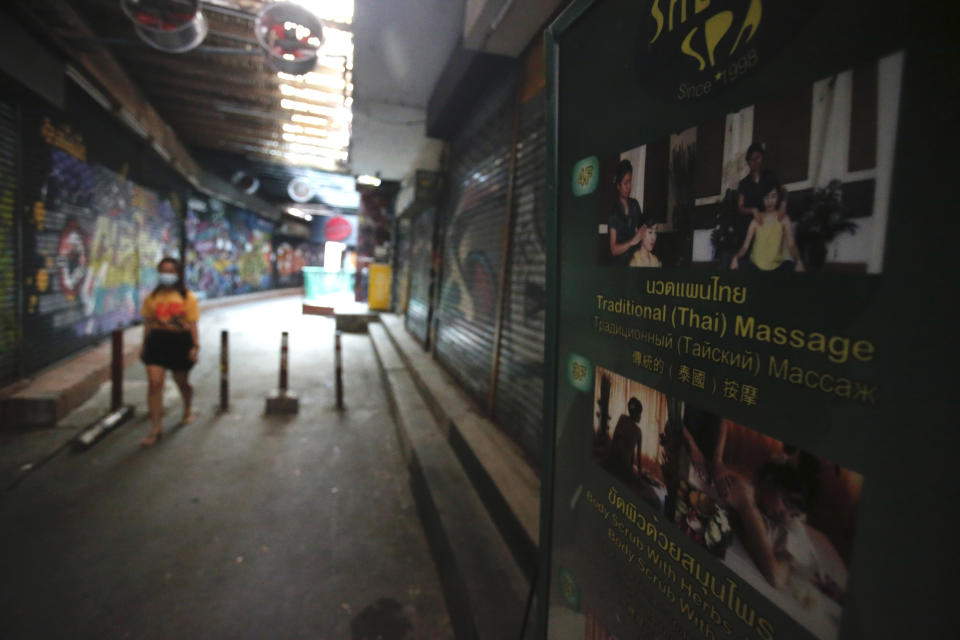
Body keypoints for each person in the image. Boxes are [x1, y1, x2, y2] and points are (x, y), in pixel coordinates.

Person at [139, 257, 199, 446]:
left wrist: (195, 346)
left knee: (181, 381)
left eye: (170, 271)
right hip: (157, 342)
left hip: (179, 342)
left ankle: (188, 407)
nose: (166, 275)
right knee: (154, 383)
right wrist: (144, 344)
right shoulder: (152, 297)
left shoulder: (187, 297)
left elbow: (192, 324)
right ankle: (156, 428)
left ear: (178, 274)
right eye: (162, 271)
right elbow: (148, 322)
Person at [731, 184, 805, 272]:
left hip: (777, 267)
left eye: (773, 196)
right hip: (756, 267)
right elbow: (745, 247)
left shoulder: (784, 219)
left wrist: (799, 260)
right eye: (766, 197)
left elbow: (792, 245)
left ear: (778, 198)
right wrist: (736, 257)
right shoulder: (755, 221)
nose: (769, 201)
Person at [608, 159, 645, 266]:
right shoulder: (614, 212)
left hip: (635, 258)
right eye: (625, 183)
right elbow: (613, 250)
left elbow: (642, 229)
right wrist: (632, 241)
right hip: (620, 263)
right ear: (618, 186)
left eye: (630, 181)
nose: (629, 186)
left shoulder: (635, 204)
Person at [603, 397, 643, 482]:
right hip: (621, 464)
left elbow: (615, 439)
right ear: (635, 414)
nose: (640, 417)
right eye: (640, 414)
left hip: (614, 459)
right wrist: (639, 472)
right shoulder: (638, 431)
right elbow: (638, 456)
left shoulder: (622, 418)